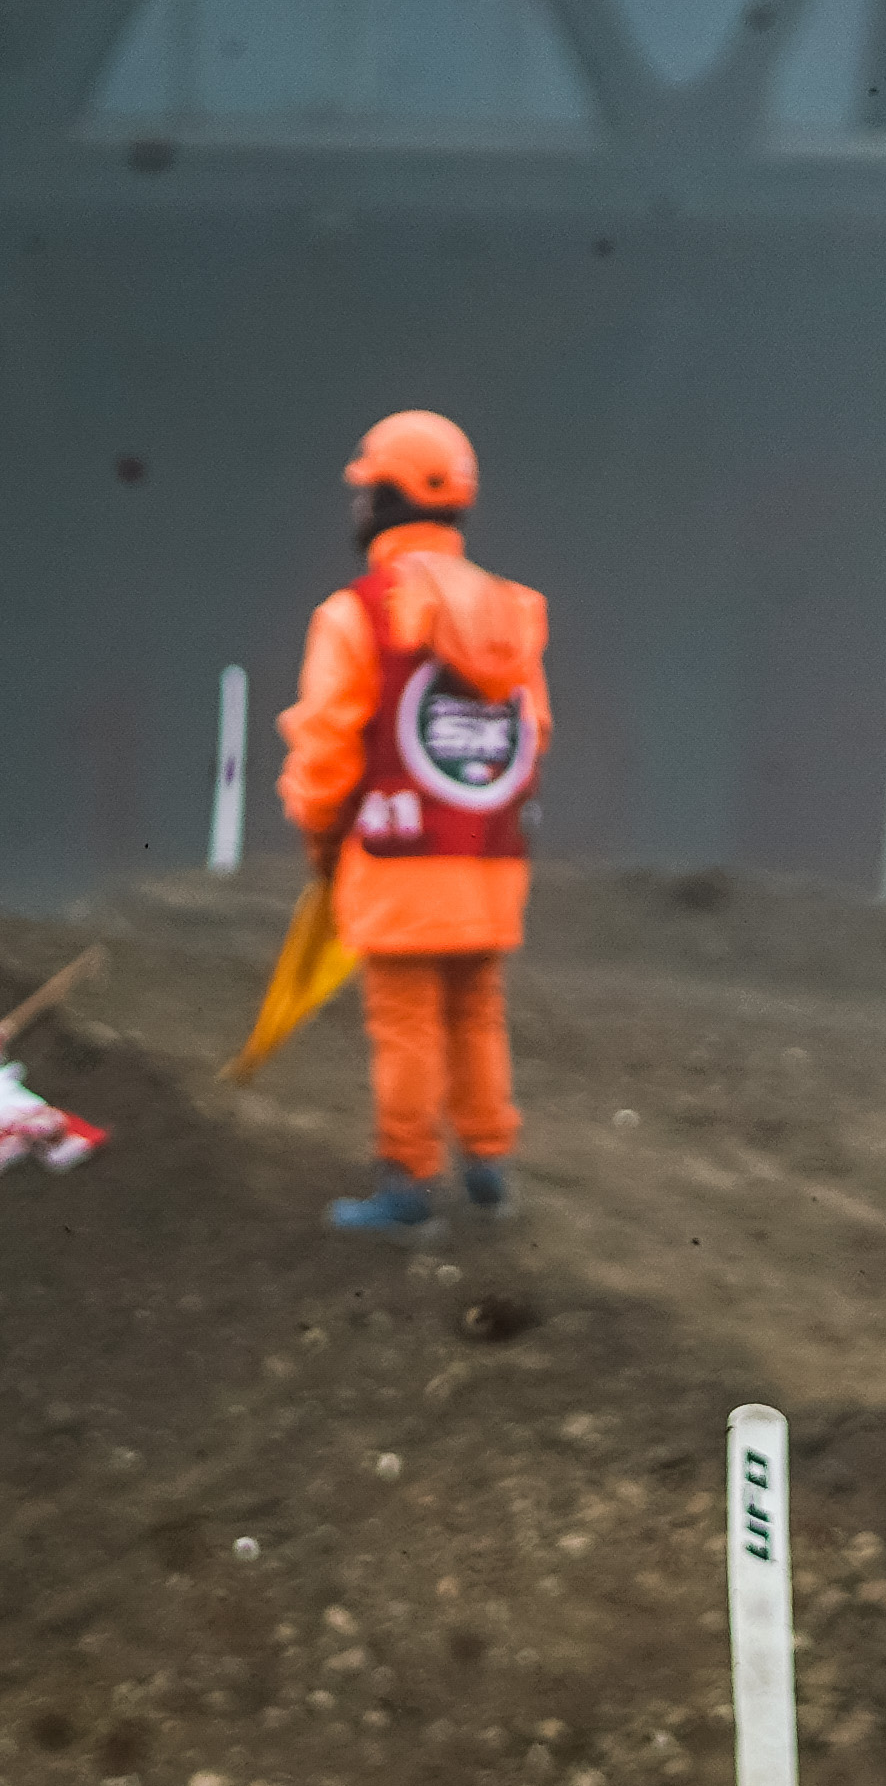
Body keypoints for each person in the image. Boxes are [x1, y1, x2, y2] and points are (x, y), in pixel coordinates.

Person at [275, 410, 552, 1236]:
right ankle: (488, 1167)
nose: (356, 504)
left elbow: (327, 746)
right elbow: (533, 733)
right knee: (476, 1010)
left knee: (404, 1021)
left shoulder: (357, 613)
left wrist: (322, 839)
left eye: (365, 490)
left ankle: (407, 1184)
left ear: (385, 499)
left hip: (398, 860)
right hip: (490, 858)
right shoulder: (511, 611)